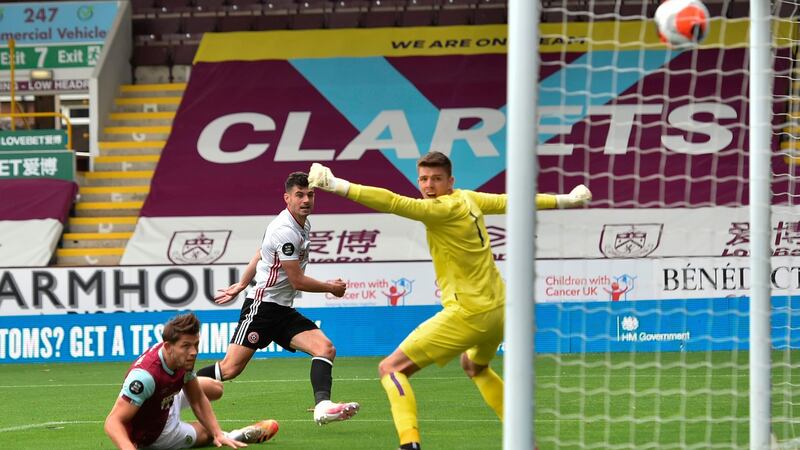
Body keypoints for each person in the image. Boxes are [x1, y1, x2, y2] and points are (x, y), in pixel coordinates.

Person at [308, 152, 592, 450]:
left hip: (469, 313)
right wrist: (565, 200)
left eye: (437, 179)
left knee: (391, 369)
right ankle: (525, 443)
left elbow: (392, 201)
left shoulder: (440, 210)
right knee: (475, 366)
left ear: (450, 181)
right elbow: (514, 202)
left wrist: (335, 184)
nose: (429, 186)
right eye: (424, 179)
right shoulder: (468, 198)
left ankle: (409, 444)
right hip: (503, 311)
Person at [197, 172, 360, 426]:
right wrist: (331, 288)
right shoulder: (285, 230)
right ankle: (176, 389)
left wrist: (240, 283)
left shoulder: (301, 224)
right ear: (287, 198)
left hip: (283, 310)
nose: (306, 200)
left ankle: (323, 406)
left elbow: (259, 254)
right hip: (262, 309)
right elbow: (297, 280)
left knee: (325, 348)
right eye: (300, 195)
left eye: (310, 194)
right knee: (229, 369)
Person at [104, 312, 279, 449]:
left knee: (216, 388)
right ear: (168, 347)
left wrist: (217, 431)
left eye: (196, 344)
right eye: (186, 346)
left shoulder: (180, 356)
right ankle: (236, 435)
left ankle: (221, 434)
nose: (194, 351)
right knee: (206, 434)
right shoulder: (144, 377)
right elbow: (113, 421)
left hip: (166, 399)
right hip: (156, 432)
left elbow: (197, 399)